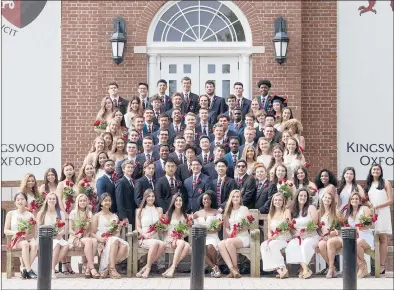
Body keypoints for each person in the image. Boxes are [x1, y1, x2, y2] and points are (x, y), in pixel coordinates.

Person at [328, 192, 375, 279]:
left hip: (365, 235)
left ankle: (361, 267)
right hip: (353, 236)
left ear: (360, 201)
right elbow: (344, 225)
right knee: (339, 242)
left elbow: (371, 224)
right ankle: (361, 266)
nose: (354, 200)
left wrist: (361, 227)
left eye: (356, 199)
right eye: (352, 199)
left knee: (356, 243)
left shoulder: (364, 208)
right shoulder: (348, 212)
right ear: (350, 201)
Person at [90, 193, 129, 279]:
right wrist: (100, 238)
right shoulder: (97, 216)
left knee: (124, 246)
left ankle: (108, 268)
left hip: (113, 238)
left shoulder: (114, 216)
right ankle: (112, 270)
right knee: (115, 241)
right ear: (101, 202)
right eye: (105, 200)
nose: (108, 202)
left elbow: (117, 233)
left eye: (109, 200)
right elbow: (92, 232)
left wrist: (116, 231)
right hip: (102, 240)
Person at [364, 164, 393, 274]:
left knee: (383, 238)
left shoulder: (386, 183)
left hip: (383, 213)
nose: (376, 171)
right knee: (372, 237)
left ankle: (381, 266)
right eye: (374, 169)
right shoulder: (368, 185)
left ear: (381, 171)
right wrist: (369, 205)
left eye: (378, 169)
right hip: (372, 214)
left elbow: (390, 200)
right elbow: (366, 199)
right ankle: (373, 265)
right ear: (371, 171)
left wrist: (377, 206)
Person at [285, 188, 319, 279]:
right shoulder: (292, 210)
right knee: (292, 245)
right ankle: (305, 269)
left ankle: (303, 269)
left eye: (305, 196)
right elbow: (289, 225)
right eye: (301, 195)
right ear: (297, 196)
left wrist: (305, 232)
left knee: (305, 244)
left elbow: (315, 224)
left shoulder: (311, 208)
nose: (303, 197)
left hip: (311, 236)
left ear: (307, 197)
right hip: (297, 236)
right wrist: (296, 232)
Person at [4, 193, 38, 279]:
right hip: (16, 239)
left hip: (28, 238)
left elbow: (33, 233)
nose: (20, 201)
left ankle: (24, 269)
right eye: (18, 200)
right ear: (15, 202)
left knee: (34, 245)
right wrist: (15, 232)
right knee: (25, 244)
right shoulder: (11, 214)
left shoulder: (30, 215)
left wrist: (27, 235)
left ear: (26, 201)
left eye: (22, 199)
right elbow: (5, 230)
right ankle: (29, 270)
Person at [218, 189, 250, 278]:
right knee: (220, 244)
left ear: (240, 198)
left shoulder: (244, 209)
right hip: (233, 237)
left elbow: (248, 225)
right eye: (233, 196)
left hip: (243, 236)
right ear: (231, 198)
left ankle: (236, 268)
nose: (235, 198)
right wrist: (229, 232)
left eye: (237, 196)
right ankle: (232, 269)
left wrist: (239, 229)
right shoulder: (228, 211)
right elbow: (227, 227)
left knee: (228, 242)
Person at [135, 189, 166, 278]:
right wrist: (144, 234)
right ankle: (148, 269)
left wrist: (159, 228)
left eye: (153, 196)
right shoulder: (140, 210)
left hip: (156, 236)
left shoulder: (159, 210)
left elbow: (161, 225)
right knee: (156, 243)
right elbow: (138, 227)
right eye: (148, 196)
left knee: (163, 244)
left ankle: (144, 269)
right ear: (145, 198)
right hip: (145, 237)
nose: (151, 198)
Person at [37, 192, 69, 278]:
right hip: (45, 238)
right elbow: (39, 228)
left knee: (66, 245)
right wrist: (49, 234)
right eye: (50, 199)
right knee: (57, 244)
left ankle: (50, 267)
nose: (51, 200)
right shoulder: (41, 213)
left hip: (57, 237)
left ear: (56, 201)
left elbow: (64, 228)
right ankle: (51, 270)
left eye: (53, 199)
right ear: (46, 200)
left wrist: (60, 233)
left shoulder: (60, 213)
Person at [68, 194, 100, 278]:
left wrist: (87, 234)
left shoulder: (89, 213)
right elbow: (70, 230)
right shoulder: (73, 213)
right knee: (89, 241)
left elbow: (90, 229)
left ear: (87, 202)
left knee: (95, 241)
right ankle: (92, 268)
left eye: (84, 201)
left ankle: (87, 269)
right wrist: (77, 234)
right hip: (75, 237)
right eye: (80, 201)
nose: (82, 202)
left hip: (86, 236)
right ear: (77, 202)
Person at [260, 192, 291, 278]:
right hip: (274, 238)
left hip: (284, 238)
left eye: (280, 200)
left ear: (283, 201)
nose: (278, 202)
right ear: (273, 202)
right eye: (276, 200)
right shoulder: (271, 214)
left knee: (272, 245)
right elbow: (269, 230)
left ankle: (282, 268)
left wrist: (276, 235)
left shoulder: (286, 211)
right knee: (263, 245)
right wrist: (270, 235)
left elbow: (287, 226)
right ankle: (280, 270)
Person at [193, 190, 223, 277]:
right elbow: (194, 227)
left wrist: (205, 231)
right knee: (200, 248)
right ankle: (215, 267)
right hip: (200, 237)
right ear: (201, 200)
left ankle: (213, 267)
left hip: (213, 236)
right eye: (204, 199)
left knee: (210, 246)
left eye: (208, 199)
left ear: (211, 200)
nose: (206, 200)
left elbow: (218, 228)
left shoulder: (216, 212)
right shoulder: (197, 214)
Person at [162, 193, 191, 278]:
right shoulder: (169, 213)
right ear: (173, 202)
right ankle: (172, 269)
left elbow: (187, 232)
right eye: (176, 200)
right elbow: (164, 230)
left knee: (187, 245)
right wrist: (173, 237)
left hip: (180, 240)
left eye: (180, 200)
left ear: (182, 202)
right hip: (170, 239)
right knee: (183, 244)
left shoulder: (185, 215)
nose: (178, 202)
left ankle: (171, 268)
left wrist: (182, 232)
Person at [316, 190, 342, 278]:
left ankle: (330, 269)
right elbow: (318, 228)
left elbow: (341, 226)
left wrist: (335, 232)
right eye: (325, 197)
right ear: (322, 198)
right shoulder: (319, 212)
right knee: (321, 244)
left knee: (330, 242)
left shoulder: (336, 212)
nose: (327, 199)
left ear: (332, 200)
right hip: (325, 237)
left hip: (336, 237)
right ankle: (333, 268)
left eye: (329, 198)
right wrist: (321, 235)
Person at [115, 160, 138, 229]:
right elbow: (119, 201)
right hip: (126, 214)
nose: (130, 169)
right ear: (123, 169)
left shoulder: (134, 181)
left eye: (132, 167)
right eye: (128, 167)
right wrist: (124, 217)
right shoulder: (120, 182)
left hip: (133, 213)